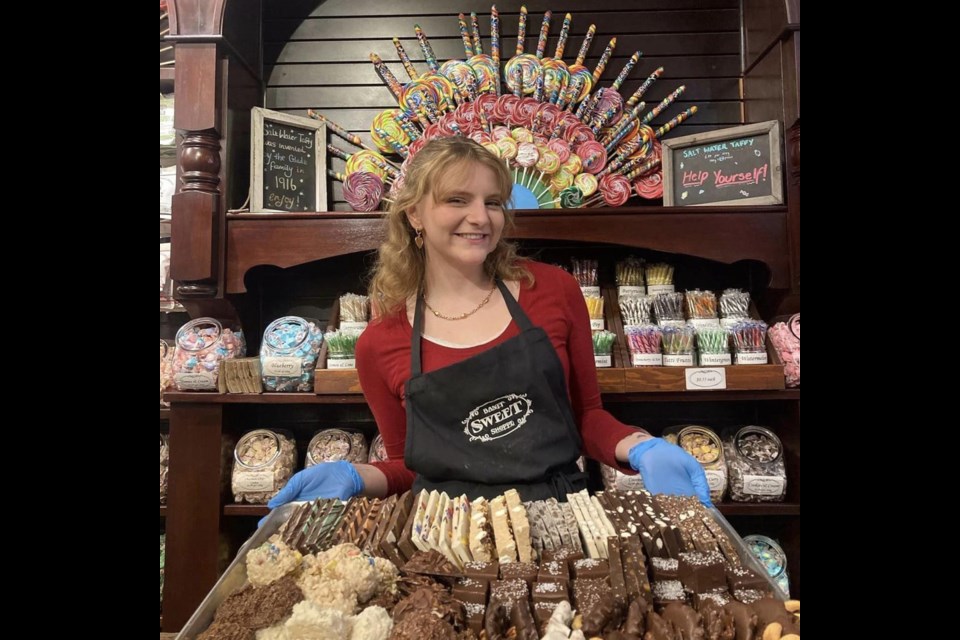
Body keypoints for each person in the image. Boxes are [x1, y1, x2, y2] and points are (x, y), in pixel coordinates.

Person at [268, 137, 709, 509]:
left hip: (558, 515)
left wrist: (638, 446)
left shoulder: (553, 291)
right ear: (414, 215)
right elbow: (408, 464)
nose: (480, 217)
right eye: (457, 200)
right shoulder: (379, 343)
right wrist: (358, 477)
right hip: (445, 535)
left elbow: (585, 416)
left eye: (493, 202)